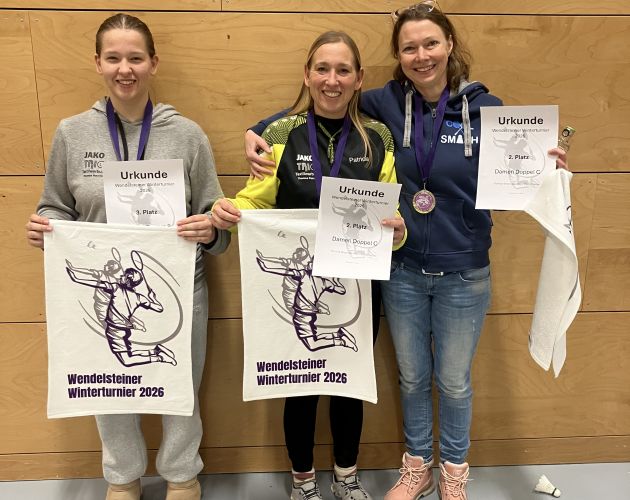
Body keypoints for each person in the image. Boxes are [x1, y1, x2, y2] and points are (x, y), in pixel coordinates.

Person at [244, 3, 569, 499]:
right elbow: (321, 104)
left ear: (449, 45)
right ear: (398, 56)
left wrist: (545, 166)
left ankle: (454, 472)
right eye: (409, 47)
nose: (422, 56)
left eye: (430, 43)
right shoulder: (385, 104)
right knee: (412, 378)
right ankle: (417, 468)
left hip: (464, 269)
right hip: (401, 268)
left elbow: (519, 161)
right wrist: (257, 129)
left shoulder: (488, 109)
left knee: (454, 382)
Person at [25, 13, 230, 500]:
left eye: (135, 58)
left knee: (179, 384)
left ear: (153, 63)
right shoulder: (72, 133)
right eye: (113, 58)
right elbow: (54, 205)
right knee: (108, 383)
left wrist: (210, 229)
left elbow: (218, 219)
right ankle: (122, 478)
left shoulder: (188, 135)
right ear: (97, 63)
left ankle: (182, 475)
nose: (125, 69)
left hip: (180, 286)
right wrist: (45, 227)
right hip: (103, 290)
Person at [212, 31, 405, 500]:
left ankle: (346, 477)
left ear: (358, 79)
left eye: (343, 70)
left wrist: (398, 232)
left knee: (348, 384)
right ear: (307, 74)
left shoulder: (378, 138)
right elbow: (255, 201)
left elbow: (390, 215)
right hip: (297, 287)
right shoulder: (280, 133)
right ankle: (302, 481)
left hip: (357, 288)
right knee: (299, 385)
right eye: (322, 69)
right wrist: (228, 210)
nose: (331, 80)